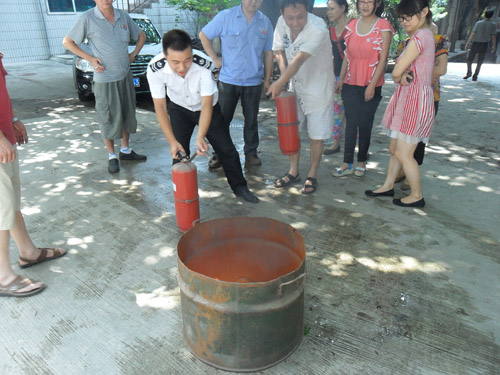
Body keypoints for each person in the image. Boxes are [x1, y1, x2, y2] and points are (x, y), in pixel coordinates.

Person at [146, 29, 259, 204]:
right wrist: (171, 141)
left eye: (187, 60)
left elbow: (207, 104)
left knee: (227, 150)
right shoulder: (155, 69)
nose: (182, 67)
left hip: (207, 109)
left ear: (192, 52)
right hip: (179, 108)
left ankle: (240, 188)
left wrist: (201, 136)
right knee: (178, 153)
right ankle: (182, 193)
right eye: (175, 62)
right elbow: (160, 107)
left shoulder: (205, 65)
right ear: (165, 55)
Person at [0, 52, 66, 297]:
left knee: (11, 200)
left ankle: (28, 252)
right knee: (2, 206)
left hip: (5, 134)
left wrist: (13, 119)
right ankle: (3, 276)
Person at [63, 0, 147, 174]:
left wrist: (133, 54)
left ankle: (125, 151)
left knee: (127, 112)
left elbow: (141, 35)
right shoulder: (87, 18)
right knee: (107, 116)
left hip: (125, 75)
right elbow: (68, 42)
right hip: (105, 79)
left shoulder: (123, 16)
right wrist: (90, 59)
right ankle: (112, 156)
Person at [365, 0, 435, 208]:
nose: (404, 22)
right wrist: (402, 74)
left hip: (414, 101)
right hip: (407, 99)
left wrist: (400, 73)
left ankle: (416, 195)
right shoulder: (421, 35)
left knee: (404, 153)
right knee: (395, 147)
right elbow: (401, 72)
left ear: (424, 12)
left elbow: (395, 72)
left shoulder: (421, 37)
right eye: (402, 18)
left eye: (408, 17)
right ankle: (388, 185)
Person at [267, 0, 335, 194]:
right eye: (290, 17)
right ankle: (293, 171)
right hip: (294, 86)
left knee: (316, 135)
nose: (295, 22)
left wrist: (279, 82)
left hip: (318, 88)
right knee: (291, 129)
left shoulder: (318, 27)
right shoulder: (281, 22)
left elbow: (299, 60)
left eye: (300, 16)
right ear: (282, 13)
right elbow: (278, 50)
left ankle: (312, 174)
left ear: (308, 11)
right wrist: (284, 77)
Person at [199, 0, 274, 169]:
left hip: (253, 81)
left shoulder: (265, 22)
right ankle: (219, 154)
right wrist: (215, 59)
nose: (253, 2)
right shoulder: (226, 17)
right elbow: (204, 35)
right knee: (222, 119)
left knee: (251, 120)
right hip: (228, 80)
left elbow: (268, 52)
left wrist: (268, 79)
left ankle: (251, 152)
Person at [332, 0, 393, 178]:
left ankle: (361, 162)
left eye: (369, 2)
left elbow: (383, 60)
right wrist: (341, 79)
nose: (365, 6)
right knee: (351, 123)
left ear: (377, 4)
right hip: (351, 82)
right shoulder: (352, 25)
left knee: (365, 124)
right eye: (362, 2)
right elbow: (347, 57)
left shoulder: (383, 26)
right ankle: (347, 162)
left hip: (371, 84)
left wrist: (372, 85)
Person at [395, 23, 448, 190]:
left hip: (429, 96)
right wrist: (404, 72)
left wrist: (416, 71)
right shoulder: (405, 42)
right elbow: (397, 68)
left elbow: (441, 69)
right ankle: (403, 170)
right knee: (402, 136)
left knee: (418, 138)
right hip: (406, 95)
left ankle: (411, 177)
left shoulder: (439, 42)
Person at [324, 0, 351, 156]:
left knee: (354, 112)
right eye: (328, 9)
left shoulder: (355, 27)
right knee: (337, 110)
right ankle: (336, 142)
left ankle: (357, 145)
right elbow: (333, 56)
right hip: (337, 75)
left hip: (354, 76)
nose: (329, 12)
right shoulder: (332, 31)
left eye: (332, 8)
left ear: (343, 8)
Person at [463, 9, 497, 81]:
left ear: (484, 15)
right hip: (484, 44)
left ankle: (469, 72)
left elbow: (473, 33)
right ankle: (475, 76)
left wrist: (468, 42)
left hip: (476, 43)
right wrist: (494, 46)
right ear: (491, 16)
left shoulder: (478, 23)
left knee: (469, 59)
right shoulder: (493, 24)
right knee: (480, 61)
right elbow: (493, 36)